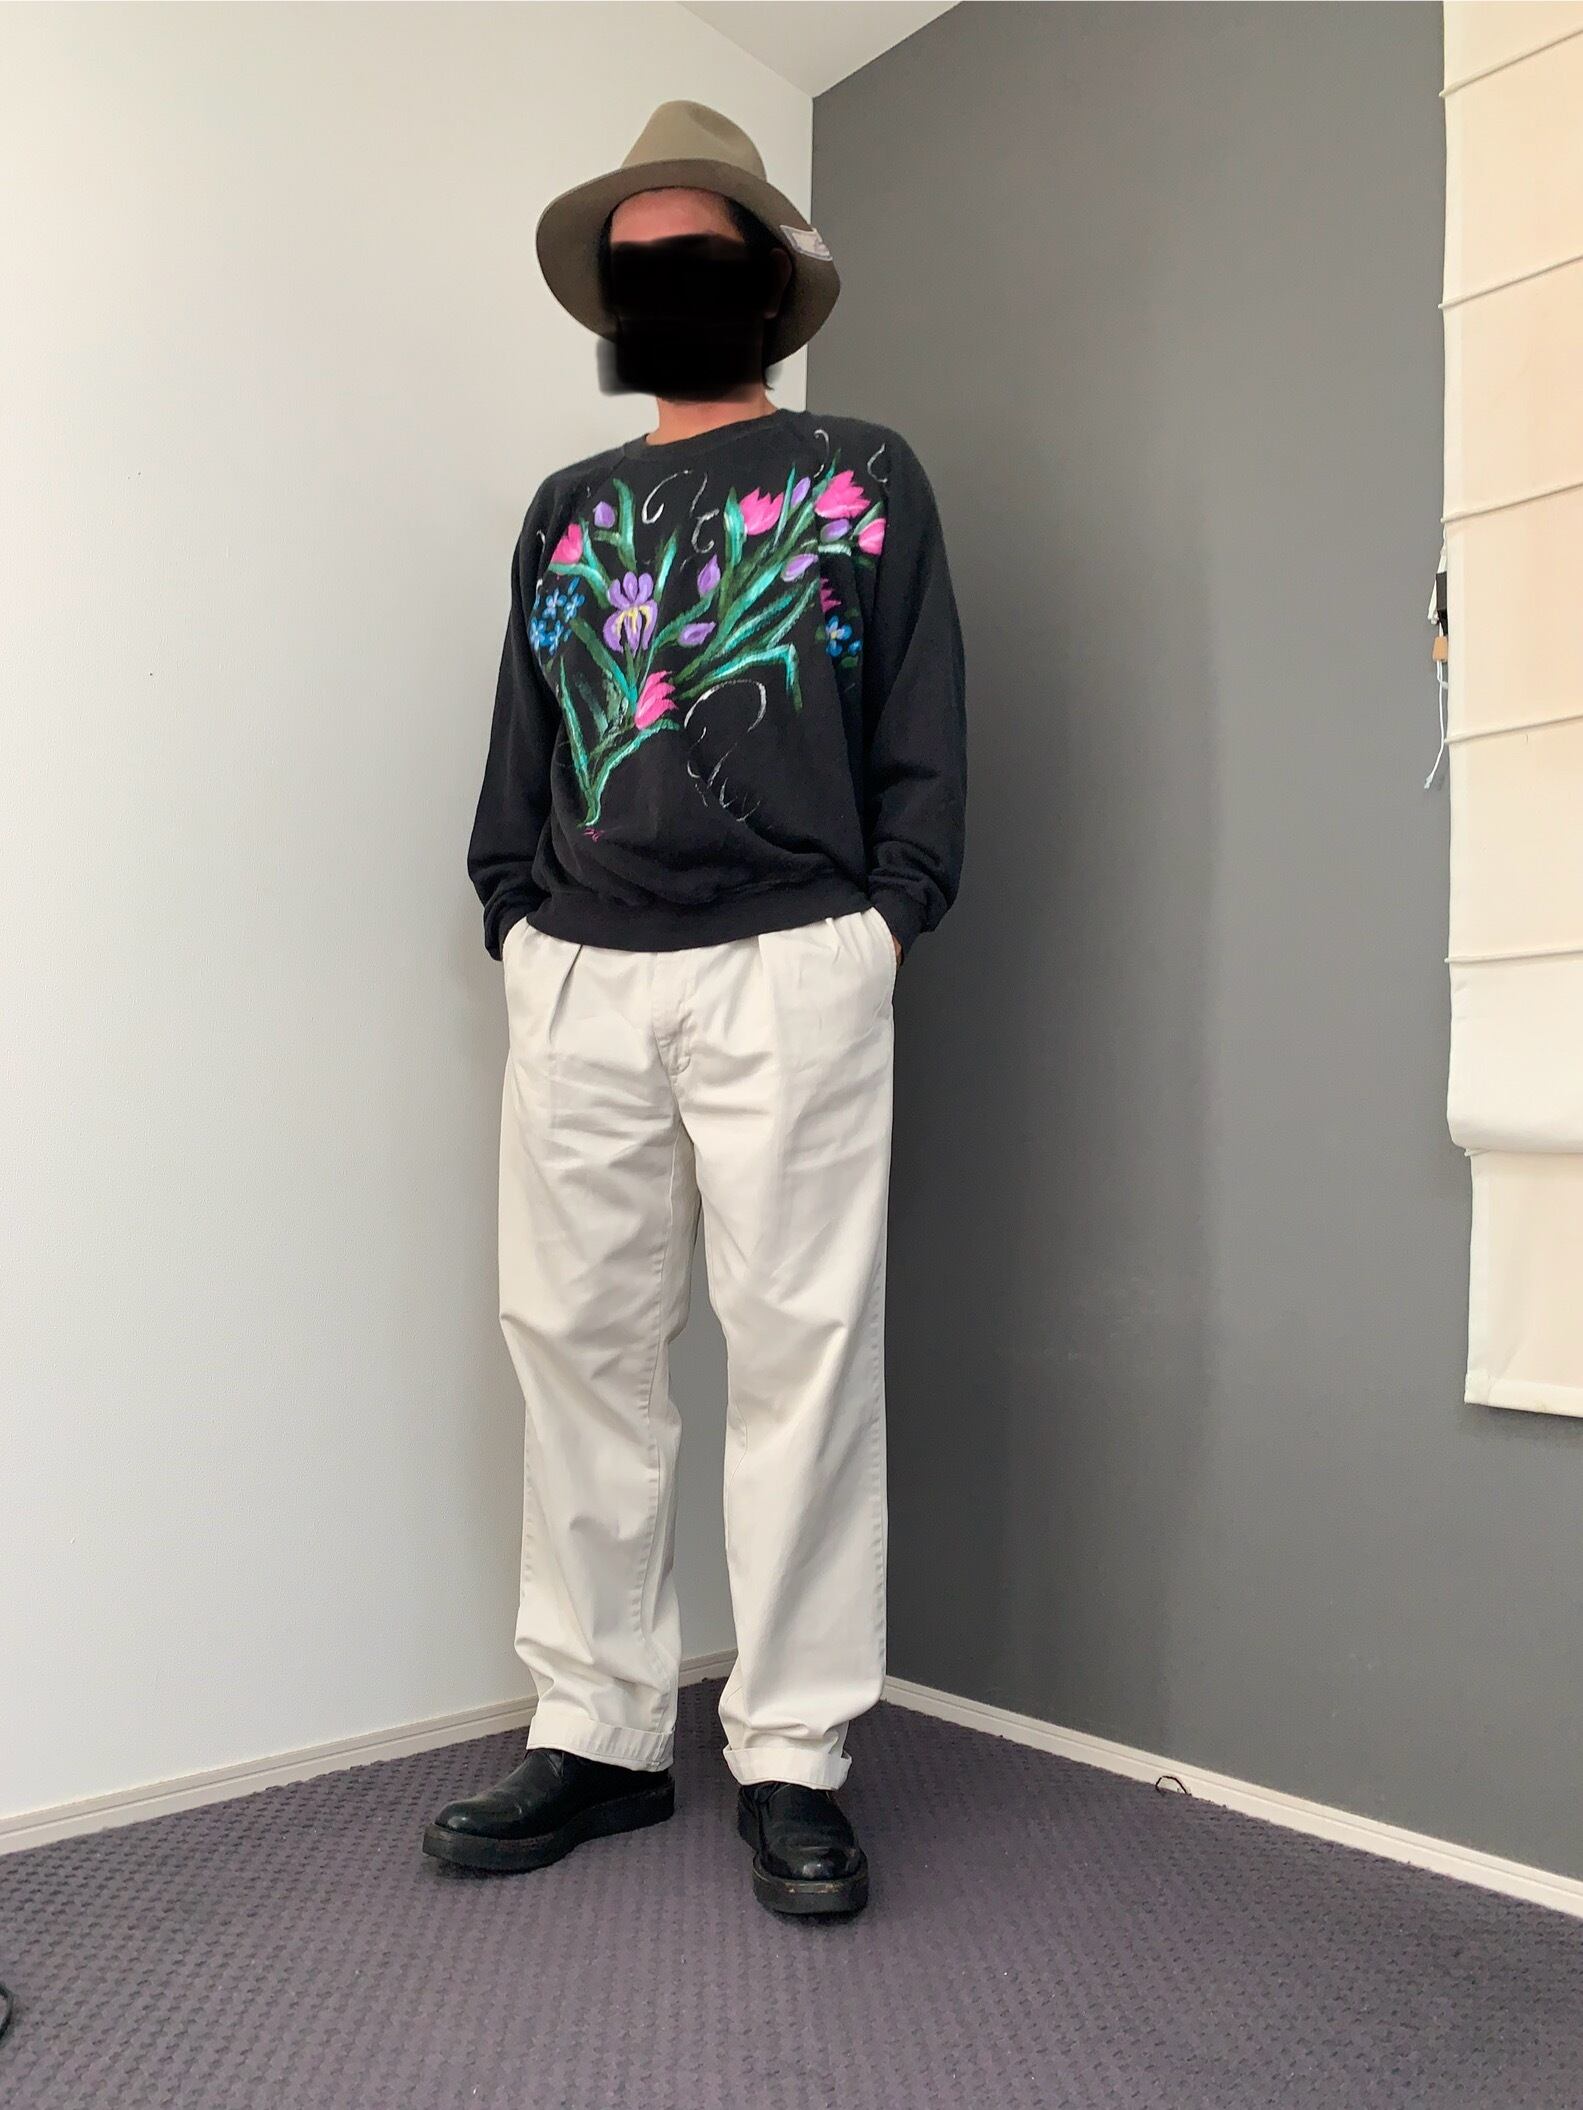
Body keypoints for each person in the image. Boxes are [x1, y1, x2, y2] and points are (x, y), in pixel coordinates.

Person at [424, 100, 967, 1919]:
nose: (665, 285)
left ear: (764, 286)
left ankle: (794, 1749)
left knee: (803, 1355)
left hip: (796, 958)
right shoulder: (568, 508)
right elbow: (523, 731)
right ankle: (597, 1730)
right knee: (574, 1342)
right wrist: (513, 915)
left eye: (698, 257)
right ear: (608, 302)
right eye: (636, 264)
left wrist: (890, 919)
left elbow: (922, 717)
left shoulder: (864, 472)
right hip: (580, 966)